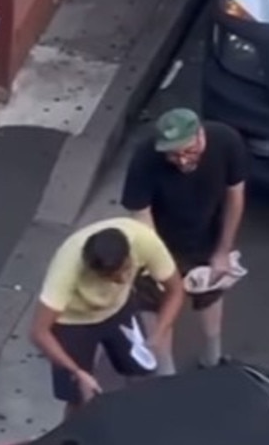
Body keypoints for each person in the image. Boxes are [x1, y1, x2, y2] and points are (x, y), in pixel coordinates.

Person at [121, 107, 247, 374]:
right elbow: (141, 217)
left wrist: (223, 250)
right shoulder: (145, 158)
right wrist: (160, 268)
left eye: (188, 151)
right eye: (173, 154)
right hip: (160, 241)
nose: (181, 160)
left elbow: (235, 196)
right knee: (155, 305)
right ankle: (165, 373)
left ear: (201, 135)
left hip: (206, 234)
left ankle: (213, 356)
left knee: (211, 295)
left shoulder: (226, 141)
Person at [31, 218, 185, 413]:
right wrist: (76, 371)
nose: (121, 280)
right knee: (79, 395)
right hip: (73, 320)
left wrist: (159, 333)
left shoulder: (144, 241)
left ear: (129, 255)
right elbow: (39, 332)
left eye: (126, 271)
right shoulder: (66, 268)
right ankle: (77, 434)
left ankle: (141, 417)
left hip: (118, 308)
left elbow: (176, 291)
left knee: (142, 369)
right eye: (111, 278)